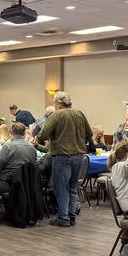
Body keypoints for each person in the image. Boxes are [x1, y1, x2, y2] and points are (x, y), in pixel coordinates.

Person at [37, 91, 92, 227]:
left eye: (54, 103)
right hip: (78, 156)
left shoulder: (57, 115)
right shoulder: (79, 113)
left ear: (58, 103)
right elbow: (89, 134)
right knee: (73, 187)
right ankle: (71, 216)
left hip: (62, 157)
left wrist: (41, 139)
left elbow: (43, 134)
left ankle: (63, 218)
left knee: (61, 188)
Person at [0, 122, 37, 209]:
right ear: (24, 133)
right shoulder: (32, 148)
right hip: (26, 183)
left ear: (11, 132)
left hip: (8, 182)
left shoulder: (8, 147)